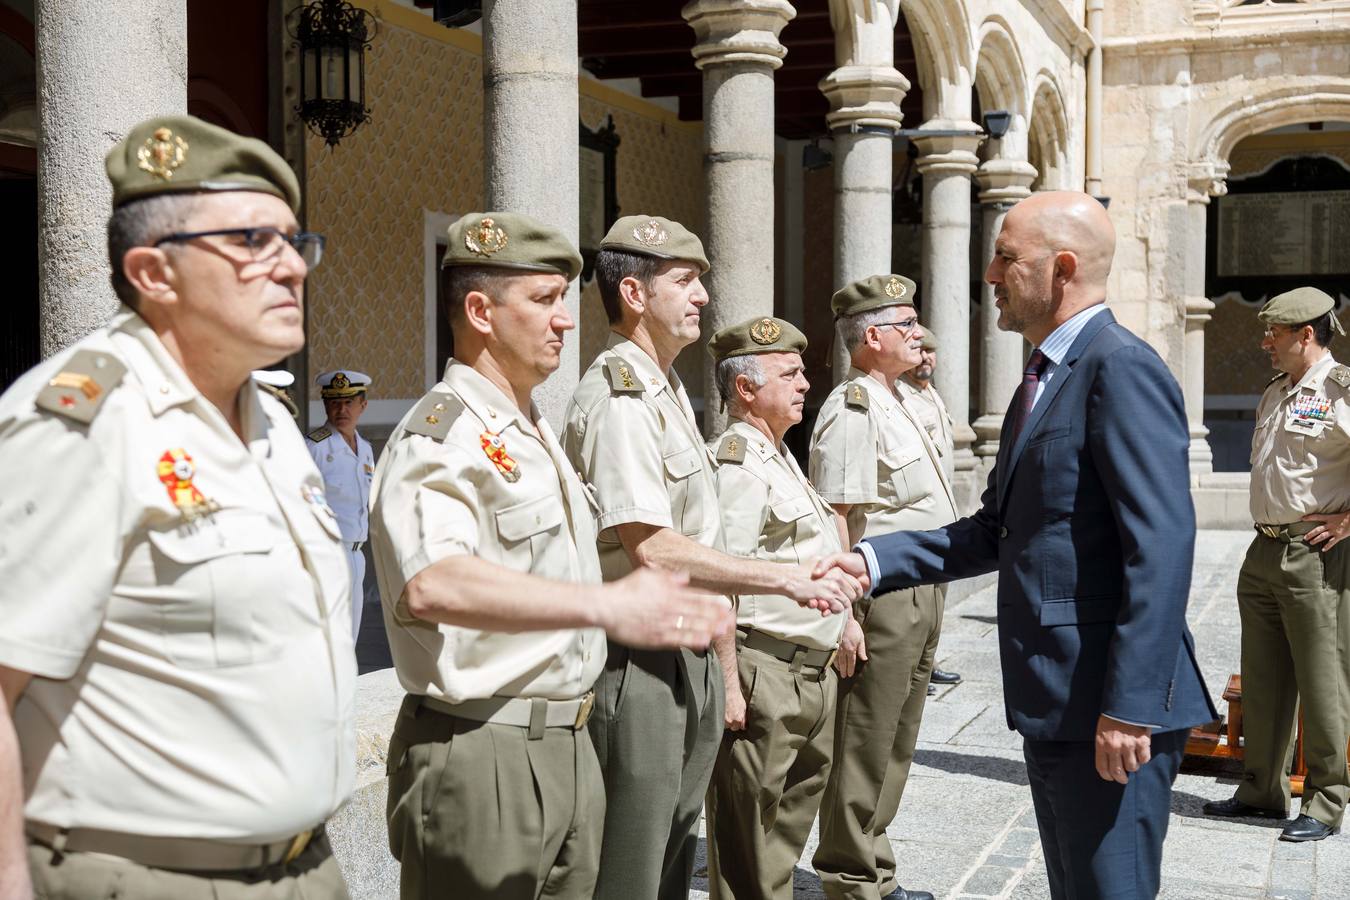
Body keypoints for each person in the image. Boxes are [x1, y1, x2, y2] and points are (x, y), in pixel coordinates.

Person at [0, 114, 355, 899]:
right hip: (151, 877)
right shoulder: (81, 423)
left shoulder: (272, 423)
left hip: (306, 867)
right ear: (154, 274)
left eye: (295, 244)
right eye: (252, 243)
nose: (291, 268)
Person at [845, 191, 1217, 899]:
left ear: (1063, 269)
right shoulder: (1045, 378)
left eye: (1006, 258)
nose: (989, 275)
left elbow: (1161, 547)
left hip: (1110, 709)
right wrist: (871, 560)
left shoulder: (1118, 368)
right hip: (1059, 698)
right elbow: (1000, 529)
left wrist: (1130, 706)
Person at [368, 211, 734, 900]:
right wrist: (605, 603)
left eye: (563, 300)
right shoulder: (440, 436)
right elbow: (431, 583)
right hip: (484, 749)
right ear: (480, 311)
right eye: (542, 300)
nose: (565, 320)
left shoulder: (531, 433)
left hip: (568, 742)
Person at [562, 214, 862, 900]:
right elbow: (651, 545)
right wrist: (781, 578)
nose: (701, 296)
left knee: (671, 852)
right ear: (635, 295)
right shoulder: (621, 394)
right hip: (636, 660)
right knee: (632, 866)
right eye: (685, 282)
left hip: (684, 650)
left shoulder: (664, 391)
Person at [809, 274, 953, 900]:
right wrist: (844, 615)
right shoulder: (853, 408)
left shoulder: (902, 399)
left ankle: (874, 862)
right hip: (883, 592)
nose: (917, 334)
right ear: (872, 337)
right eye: (905, 325)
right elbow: (837, 515)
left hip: (925, 585)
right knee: (865, 736)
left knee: (898, 734)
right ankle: (849, 875)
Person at [702, 316, 855, 900]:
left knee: (783, 839)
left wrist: (843, 623)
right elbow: (720, 577)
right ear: (745, 388)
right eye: (788, 374)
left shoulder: (780, 454)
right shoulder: (738, 463)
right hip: (764, 670)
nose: (803, 384)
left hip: (810, 673)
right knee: (748, 846)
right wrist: (729, 683)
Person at [1202, 286, 1350, 843]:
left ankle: (1326, 800)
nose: (1265, 342)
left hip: (1317, 554)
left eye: (1275, 333)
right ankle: (1261, 791)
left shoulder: (1341, 391)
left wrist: (1348, 521)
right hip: (1264, 550)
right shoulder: (1277, 391)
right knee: (1263, 680)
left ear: (1305, 335)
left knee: (1324, 681)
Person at [896, 329, 961, 691]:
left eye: (931, 352)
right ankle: (913, 670)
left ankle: (927, 664)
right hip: (917, 519)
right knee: (915, 606)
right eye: (920, 352)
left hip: (942, 518)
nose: (926, 359)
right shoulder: (902, 398)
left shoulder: (932, 395)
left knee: (935, 602)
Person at [308, 369, 375, 640]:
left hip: (357, 553)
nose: (341, 409)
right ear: (325, 405)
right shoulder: (314, 447)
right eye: (334, 402)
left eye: (348, 402)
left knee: (351, 634)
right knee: (328, 633)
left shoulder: (366, 448)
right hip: (329, 551)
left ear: (363, 405)